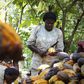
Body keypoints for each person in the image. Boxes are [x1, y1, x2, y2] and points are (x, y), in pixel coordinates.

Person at [27, 11, 64, 76]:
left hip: (51, 62)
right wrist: (39, 51)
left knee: (47, 79)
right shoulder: (38, 29)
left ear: (54, 23)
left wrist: (53, 52)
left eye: (52, 23)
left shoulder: (58, 32)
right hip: (37, 61)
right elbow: (29, 44)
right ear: (44, 22)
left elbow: (60, 49)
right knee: (35, 80)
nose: (49, 25)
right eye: (48, 23)